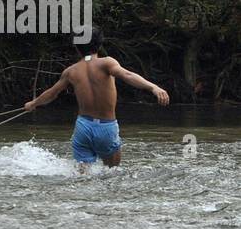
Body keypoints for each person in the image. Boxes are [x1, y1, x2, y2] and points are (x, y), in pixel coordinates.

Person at [23, 28, 168, 168]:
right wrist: (153, 87)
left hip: (83, 127)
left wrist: (33, 103)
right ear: (99, 45)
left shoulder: (71, 71)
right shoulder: (107, 63)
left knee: (83, 175)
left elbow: (52, 93)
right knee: (112, 172)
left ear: (76, 47)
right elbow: (127, 75)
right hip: (106, 127)